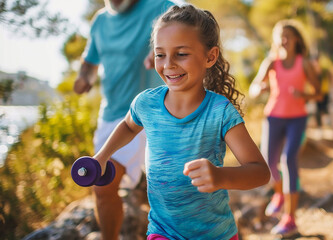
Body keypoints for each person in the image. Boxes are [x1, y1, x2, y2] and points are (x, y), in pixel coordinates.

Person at [91, 4, 271, 239]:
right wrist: (103, 156)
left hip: (216, 234)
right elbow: (127, 126)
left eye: (181, 54)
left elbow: (259, 172)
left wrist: (219, 177)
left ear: (210, 56)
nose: (168, 64)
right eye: (160, 54)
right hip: (162, 231)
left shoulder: (219, 111)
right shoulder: (146, 103)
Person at [73, 0, 181, 239]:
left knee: (104, 182)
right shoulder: (100, 21)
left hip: (149, 111)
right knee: (103, 190)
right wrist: (84, 78)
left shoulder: (158, 7)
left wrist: (162, 52)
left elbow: (186, 28)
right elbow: (90, 63)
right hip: (110, 115)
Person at [249, 20, 321, 236]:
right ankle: (279, 194)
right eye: (281, 36)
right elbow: (254, 88)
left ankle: (290, 219)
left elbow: (318, 93)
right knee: (269, 165)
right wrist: (260, 87)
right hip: (273, 118)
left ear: (296, 39)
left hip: (297, 118)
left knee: (288, 160)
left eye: (288, 35)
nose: (284, 40)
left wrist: (304, 95)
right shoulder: (271, 62)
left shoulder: (304, 63)